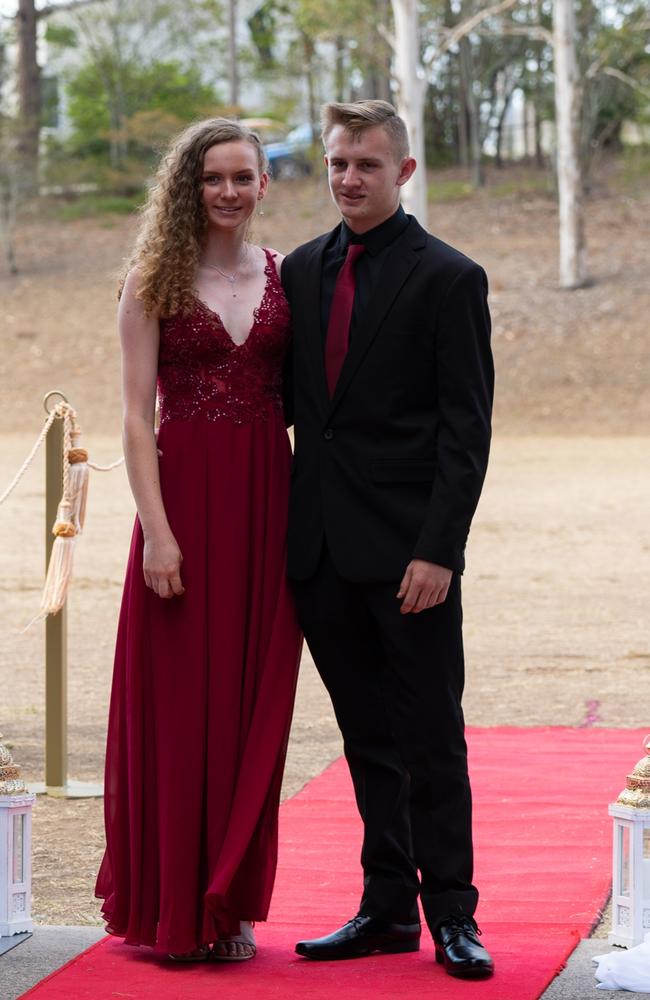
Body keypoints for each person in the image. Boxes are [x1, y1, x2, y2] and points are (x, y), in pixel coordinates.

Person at [281, 100, 495, 979]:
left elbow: (466, 429)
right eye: (338, 163)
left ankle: (453, 915)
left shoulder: (449, 277)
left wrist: (439, 551)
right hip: (321, 552)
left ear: (403, 172)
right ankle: (385, 910)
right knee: (365, 738)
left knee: (431, 739)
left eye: (368, 164)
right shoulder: (295, 272)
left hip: (411, 557)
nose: (349, 178)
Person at [95, 118, 301, 962]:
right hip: (181, 506)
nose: (228, 191)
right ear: (189, 185)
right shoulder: (151, 282)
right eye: (212, 177)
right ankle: (178, 904)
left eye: (242, 177)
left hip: (270, 507)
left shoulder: (287, 275)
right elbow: (136, 422)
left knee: (255, 705)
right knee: (181, 707)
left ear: (262, 183)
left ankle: (233, 901)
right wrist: (157, 535)